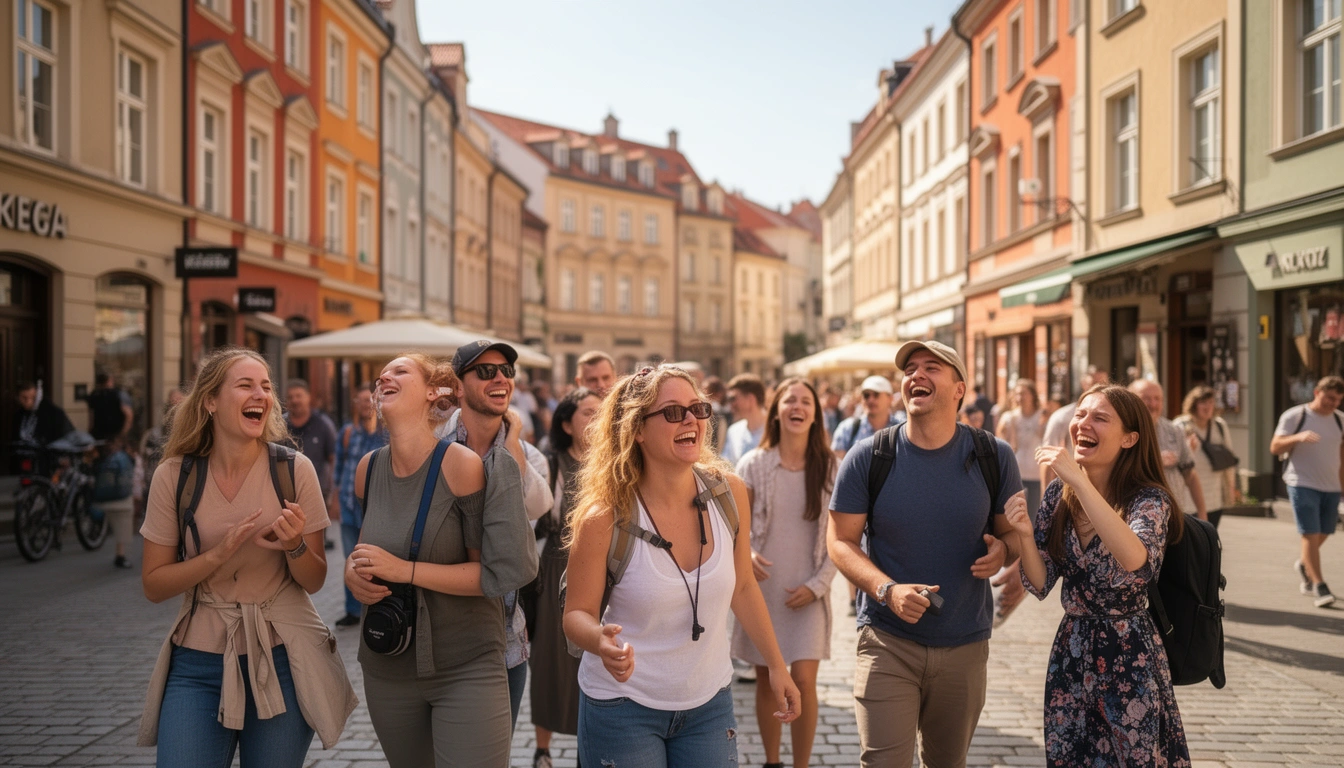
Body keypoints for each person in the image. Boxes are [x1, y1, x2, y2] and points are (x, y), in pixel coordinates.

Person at [563, 365, 800, 766]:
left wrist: (777, 666)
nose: (691, 420)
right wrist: (599, 640)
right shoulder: (604, 517)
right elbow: (576, 614)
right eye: (673, 412)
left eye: (698, 408)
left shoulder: (730, 493)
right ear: (637, 429)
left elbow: (743, 586)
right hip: (623, 707)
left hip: (709, 703)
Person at [137, 347, 351, 767]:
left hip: (283, 660)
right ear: (210, 402)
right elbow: (153, 584)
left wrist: (294, 546)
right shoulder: (174, 475)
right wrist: (215, 556)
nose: (261, 394)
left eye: (266, 386)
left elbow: (314, 580)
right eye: (246, 385)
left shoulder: (295, 470)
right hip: (196, 665)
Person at [828, 340, 1020, 768]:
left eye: (932, 367)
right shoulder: (870, 456)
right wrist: (887, 590)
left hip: (965, 644)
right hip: (886, 641)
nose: (916, 374)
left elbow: (1013, 537)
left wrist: (1003, 549)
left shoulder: (994, 456)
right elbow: (839, 542)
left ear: (959, 390)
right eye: (910, 368)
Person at [347, 352, 536, 767]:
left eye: (399, 371)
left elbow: (489, 573)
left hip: (464, 663)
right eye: (383, 374)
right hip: (388, 666)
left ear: (434, 392)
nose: (384, 376)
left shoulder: (460, 464)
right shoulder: (368, 468)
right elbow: (367, 548)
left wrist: (406, 572)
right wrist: (353, 572)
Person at [1012, 384, 1190, 767]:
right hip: (1072, 651)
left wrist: (1079, 481)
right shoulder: (1058, 494)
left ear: (1129, 438)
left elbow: (1136, 562)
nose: (1083, 423)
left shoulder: (1148, 499)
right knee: (1072, 756)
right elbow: (1040, 583)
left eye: (1099, 417)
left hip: (1128, 653)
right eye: (1080, 414)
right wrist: (1025, 536)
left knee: (1134, 758)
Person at [436, 341, 555, 733]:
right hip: (437, 635)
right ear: (459, 385)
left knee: (492, 754)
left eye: (506, 371)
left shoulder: (527, 454)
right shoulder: (432, 444)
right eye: (485, 371)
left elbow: (537, 509)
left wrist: (512, 440)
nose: (500, 378)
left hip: (505, 638)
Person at [731, 377, 838, 768]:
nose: (797, 406)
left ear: (815, 413)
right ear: (776, 410)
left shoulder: (831, 466)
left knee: (805, 681)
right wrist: (749, 553)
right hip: (762, 589)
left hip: (808, 591)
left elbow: (841, 537)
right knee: (766, 680)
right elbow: (735, 529)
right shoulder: (753, 464)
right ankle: (772, 762)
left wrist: (818, 585)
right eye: (789, 400)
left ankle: (801, 765)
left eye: (805, 401)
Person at [530, 387, 602, 768]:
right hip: (557, 566)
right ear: (566, 423)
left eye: (599, 413)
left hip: (605, 573)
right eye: (588, 413)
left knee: (590, 663)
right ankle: (542, 749)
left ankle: (585, 747)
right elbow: (538, 524)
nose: (596, 419)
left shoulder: (612, 463)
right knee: (549, 662)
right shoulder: (552, 463)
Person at [1271, 375, 1344, 608]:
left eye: (1338, 400)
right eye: (1329, 398)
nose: (1333, 403)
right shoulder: (1296, 415)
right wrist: (1298, 437)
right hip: (1301, 482)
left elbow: (1340, 457)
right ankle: (1319, 585)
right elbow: (1275, 446)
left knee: (1324, 531)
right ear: (1316, 393)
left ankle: (1304, 564)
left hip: (1331, 486)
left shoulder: (1340, 420)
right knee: (1309, 534)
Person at [331, 383, 388, 627]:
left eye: (369, 400)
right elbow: (339, 467)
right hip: (347, 506)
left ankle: (376, 607)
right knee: (350, 558)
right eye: (361, 400)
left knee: (372, 560)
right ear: (356, 404)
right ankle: (353, 611)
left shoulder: (386, 432)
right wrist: (333, 499)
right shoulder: (346, 432)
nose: (366, 405)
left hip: (375, 507)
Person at [1129, 379, 1207, 522]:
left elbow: (1190, 475)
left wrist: (1202, 515)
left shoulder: (1175, 431)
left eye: (1157, 399)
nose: (1152, 404)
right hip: (1135, 518)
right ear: (1131, 400)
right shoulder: (1122, 430)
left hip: (1175, 516)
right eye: (1146, 398)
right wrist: (1156, 461)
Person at [1175, 386, 1239, 529]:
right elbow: (1174, 461)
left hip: (1214, 497)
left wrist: (1231, 487)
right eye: (1203, 403)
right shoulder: (1180, 426)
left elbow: (1229, 460)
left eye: (1211, 403)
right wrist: (1188, 449)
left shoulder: (1220, 426)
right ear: (1194, 405)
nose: (1208, 407)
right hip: (1188, 498)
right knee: (1192, 541)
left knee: (1210, 538)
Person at [1040, 368, 1108, 488]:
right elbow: (1048, 459)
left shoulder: (1116, 418)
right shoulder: (1061, 417)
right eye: (1094, 384)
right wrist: (1045, 497)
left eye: (1104, 384)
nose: (1099, 389)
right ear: (1084, 384)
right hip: (1069, 488)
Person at [996, 379, 1046, 520]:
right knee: (1016, 514)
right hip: (1015, 472)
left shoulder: (1042, 416)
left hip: (1036, 472)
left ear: (1032, 395)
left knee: (1035, 512)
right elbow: (1000, 444)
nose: (1020, 397)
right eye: (1017, 394)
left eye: (1023, 393)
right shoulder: (1009, 417)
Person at [831, 376, 903, 459]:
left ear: (890, 399)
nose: (870, 400)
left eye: (876, 395)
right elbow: (837, 465)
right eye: (866, 395)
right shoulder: (847, 429)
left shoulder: (901, 429)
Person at [13, 380, 75, 475]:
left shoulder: (52, 413)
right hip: (28, 457)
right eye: (24, 398)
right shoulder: (20, 415)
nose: (28, 401)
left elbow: (65, 433)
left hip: (49, 459)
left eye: (33, 398)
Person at [722, 373, 769, 465]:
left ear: (751, 399)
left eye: (733, 399)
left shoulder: (778, 430)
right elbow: (727, 466)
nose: (730, 405)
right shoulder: (734, 431)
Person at [87, 372, 134, 441]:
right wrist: (122, 435)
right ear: (110, 380)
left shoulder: (95, 395)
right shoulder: (119, 394)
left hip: (101, 434)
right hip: (112, 434)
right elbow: (129, 417)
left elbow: (91, 420)